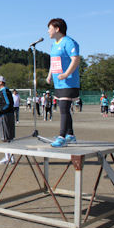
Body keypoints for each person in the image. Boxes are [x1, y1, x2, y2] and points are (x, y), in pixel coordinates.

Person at [46, 18, 81, 147]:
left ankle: (61, 136)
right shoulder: (54, 44)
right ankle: (70, 135)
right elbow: (53, 62)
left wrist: (67, 73)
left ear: (57, 28)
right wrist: (50, 75)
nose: (48, 31)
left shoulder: (69, 42)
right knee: (64, 108)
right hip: (58, 83)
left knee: (63, 109)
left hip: (69, 82)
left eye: (50, 28)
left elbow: (75, 59)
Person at [0, 75, 15, 165]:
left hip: (5, 116)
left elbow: (8, 103)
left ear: (1, 82)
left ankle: (8, 158)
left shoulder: (5, 91)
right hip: (6, 115)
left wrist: (0, 110)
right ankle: (10, 157)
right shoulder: (3, 92)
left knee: (6, 137)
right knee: (8, 137)